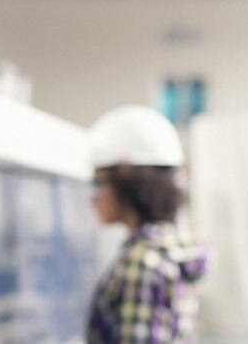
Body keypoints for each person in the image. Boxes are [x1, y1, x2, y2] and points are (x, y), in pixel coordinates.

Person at [86, 106, 207, 343]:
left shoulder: (142, 263)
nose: (93, 197)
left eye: (98, 182)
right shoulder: (173, 249)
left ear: (129, 182)